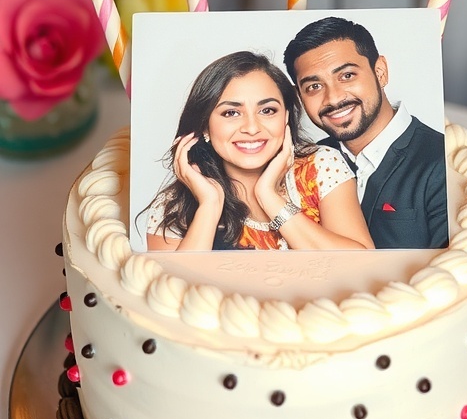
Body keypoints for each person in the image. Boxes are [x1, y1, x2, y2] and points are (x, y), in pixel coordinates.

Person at [146, 50, 373, 252]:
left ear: (286, 117)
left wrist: (269, 196)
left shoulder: (320, 167)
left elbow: (359, 266)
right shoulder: (173, 207)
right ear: (205, 125)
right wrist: (209, 206)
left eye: (267, 110)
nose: (252, 128)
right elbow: (175, 292)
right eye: (231, 113)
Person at [283, 16, 449, 250]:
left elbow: (455, 274)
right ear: (299, 96)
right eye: (314, 86)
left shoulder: (443, 162)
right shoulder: (307, 164)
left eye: (347, 76)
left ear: (380, 72)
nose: (334, 98)